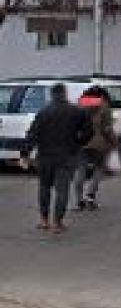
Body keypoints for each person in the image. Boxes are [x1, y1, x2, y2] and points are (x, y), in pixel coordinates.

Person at [19, 83, 93, 235]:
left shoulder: (43, 112)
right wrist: (78, 143)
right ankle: (57, 223)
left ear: (52, 95)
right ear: (64, 94)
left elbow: (32, 134)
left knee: (44, 188)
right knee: (62, 190)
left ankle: (44, 220)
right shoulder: (76, 111)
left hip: (45, 157)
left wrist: (24, 154)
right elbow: (88, 131)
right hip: (66, 157)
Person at [75, 85, 117, 211]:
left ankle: (79, 201)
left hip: (81, 143)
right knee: (100, 168)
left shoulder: (79, 105)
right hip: (100, 144)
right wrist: (114, 142)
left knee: (80, 170)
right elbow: (107, 129)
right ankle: (90, 195)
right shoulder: (104, 107)